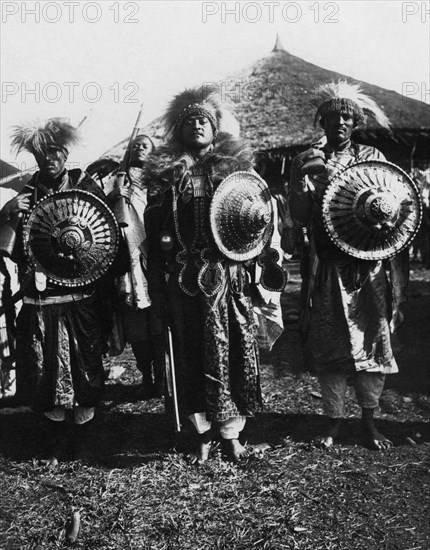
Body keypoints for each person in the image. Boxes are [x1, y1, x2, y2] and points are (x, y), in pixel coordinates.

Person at [144, 87, 280, 463]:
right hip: (184, 281)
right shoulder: (166, 177)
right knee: (189, 355)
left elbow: (260, 219)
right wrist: (157, 284)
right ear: (179, 130)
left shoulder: (236, 171)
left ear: (215, 127)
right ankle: (202, 434)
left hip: (226, 275)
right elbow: (154, 239)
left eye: (204, 120)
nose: (198, 125)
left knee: (231, 349)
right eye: (190, 121)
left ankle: (232, 434)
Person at [289, 81, 408, 450]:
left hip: (368, 268)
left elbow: (395, 208)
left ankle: (369, 421)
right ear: (321, 121)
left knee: (372, 342)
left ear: (354, 122)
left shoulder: (372, 157)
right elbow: (301, 215)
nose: (339, 121)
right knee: (330, 344)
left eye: (346, 116)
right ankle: (334, 422)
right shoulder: (308, 159)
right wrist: (301, 180)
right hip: (328, 266)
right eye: (332, 116)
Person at [0, 118, 111, 465]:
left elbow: (107, 236)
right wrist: (5, 215)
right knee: (43, 367)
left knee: (85, 363)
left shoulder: (86, 186)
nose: (48, 158)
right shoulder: (25, 195)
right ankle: (55, 439)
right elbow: (11, 248)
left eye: (54, 151)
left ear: (65, 152)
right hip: (40, 297)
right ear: (34, 157)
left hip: (82, 295)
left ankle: (84, 438)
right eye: (41, 153)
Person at [108, 134, 166, 398]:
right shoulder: (118, 180)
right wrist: (114, 197)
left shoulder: (162, 180)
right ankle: (146, 375)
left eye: (146, 145)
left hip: (156, 255)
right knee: (136, 326)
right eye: (135, 145)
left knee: (159, 321)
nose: (140, 147)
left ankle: (164, 376)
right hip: (129, 258)